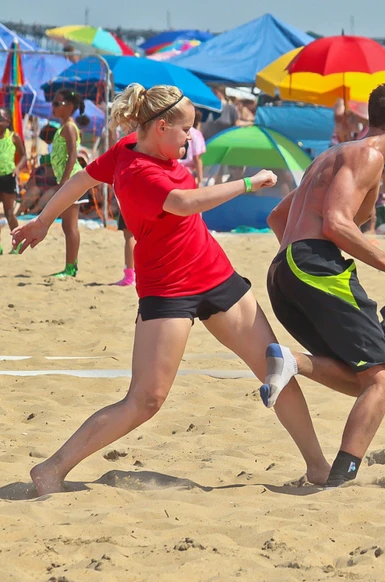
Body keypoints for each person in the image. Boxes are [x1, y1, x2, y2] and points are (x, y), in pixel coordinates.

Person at [11, 84, 331, 495]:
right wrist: (248, 184)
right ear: (161, 127)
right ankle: (52, 469)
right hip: (167, 288)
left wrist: (42, 221)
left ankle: (318, 467)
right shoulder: (137, 168)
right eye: (185, 131)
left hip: (214, 274)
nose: (190, 140)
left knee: (274, 366)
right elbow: (182, 202)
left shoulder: (131, 145)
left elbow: (80, 181)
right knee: (145, 400)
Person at [264, 82, 385, 488]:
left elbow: (277, 218)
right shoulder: (370, 154)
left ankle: (294, 362)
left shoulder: (331, 155)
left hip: (284, 270)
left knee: (364, 379)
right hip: (314, 266)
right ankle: (342, 478)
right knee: (384, 378)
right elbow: (335, 223)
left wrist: (297, 259)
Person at [50, 89, 89, 278]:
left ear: (69, 107)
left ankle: (71, 267)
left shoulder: (69, 127)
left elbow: (73, 153)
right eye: (53, 102)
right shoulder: (64, 126)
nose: (53, 107)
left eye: (57, 103)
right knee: (67, 226)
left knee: (70, 226)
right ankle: (70, 266)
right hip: (70, 181)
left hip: (73, 181)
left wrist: (65, 181)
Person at [0, 107, 27, 255]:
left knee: (9, 213)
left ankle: (17, 243)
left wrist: (17, 169)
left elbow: (24, 155)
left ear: (7, 122)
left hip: (8, 177)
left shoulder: (13, 137)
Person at [178, 108, 206, 186]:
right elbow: (197, 158)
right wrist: (200, 181)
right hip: (187, 173)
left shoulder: (178, 130)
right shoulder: (196, 134)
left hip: (176, 169)